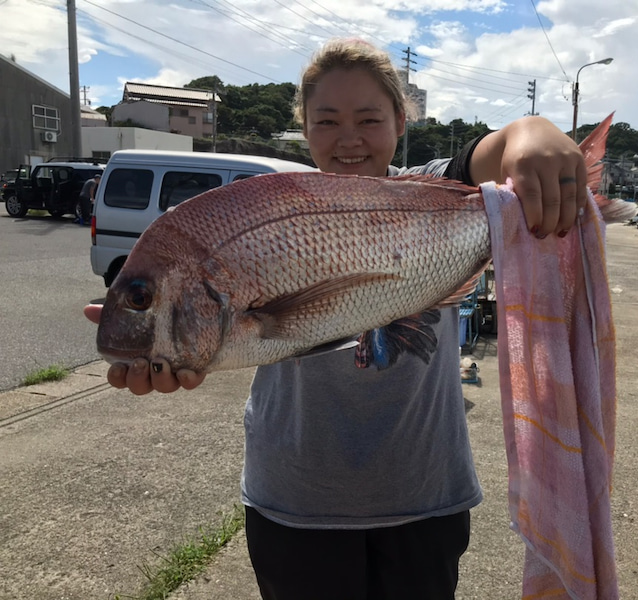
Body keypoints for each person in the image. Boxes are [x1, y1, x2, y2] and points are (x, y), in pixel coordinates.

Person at [84, 38, 588, 600]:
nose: (349, 138)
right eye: (327, 121)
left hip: (424, 496)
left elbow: (496, 153)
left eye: (369, 119)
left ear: (400, 120)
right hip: (294, 504)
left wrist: (535, 131)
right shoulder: (272, 201)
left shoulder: (431, 189)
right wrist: (169, 346)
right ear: (304, 128)